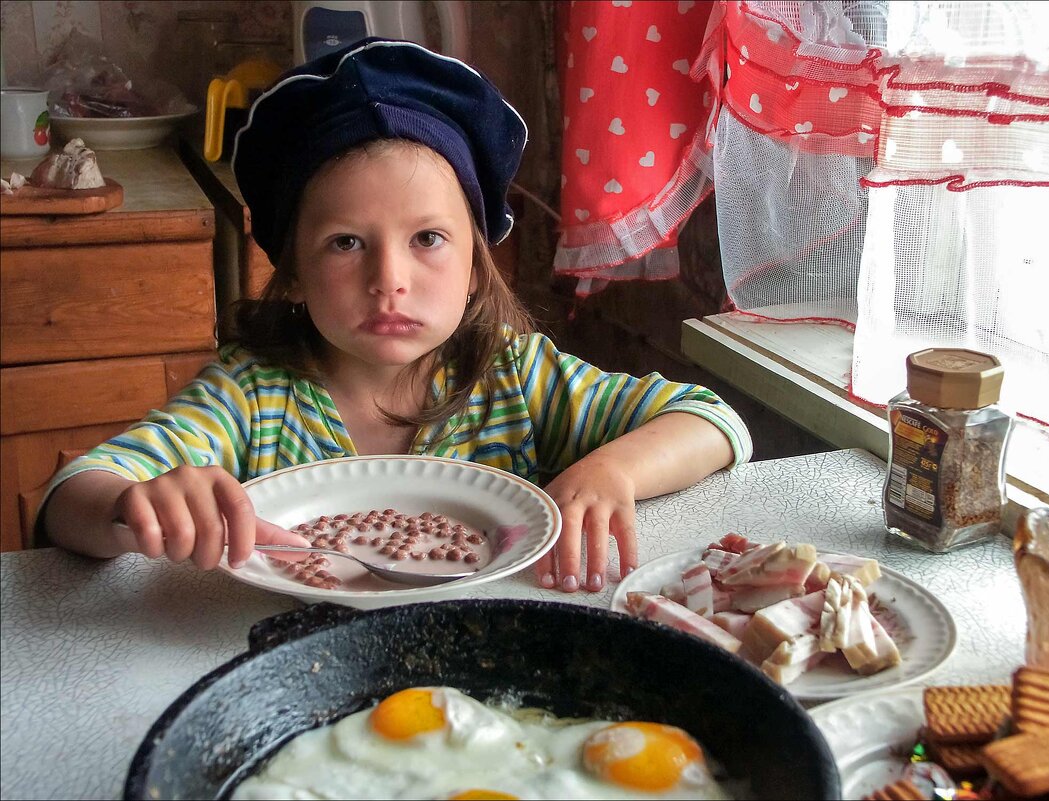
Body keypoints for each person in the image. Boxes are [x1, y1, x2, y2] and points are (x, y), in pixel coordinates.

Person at [39, 38, 753, 593]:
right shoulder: (248, 396)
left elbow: (712, 421)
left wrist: (614, 471)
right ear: (292, 276)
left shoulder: (520, 377)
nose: (390, 280)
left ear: (476, 267)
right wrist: (136, 508)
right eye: (346, 242)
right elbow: (68, 498)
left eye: (428, 239)